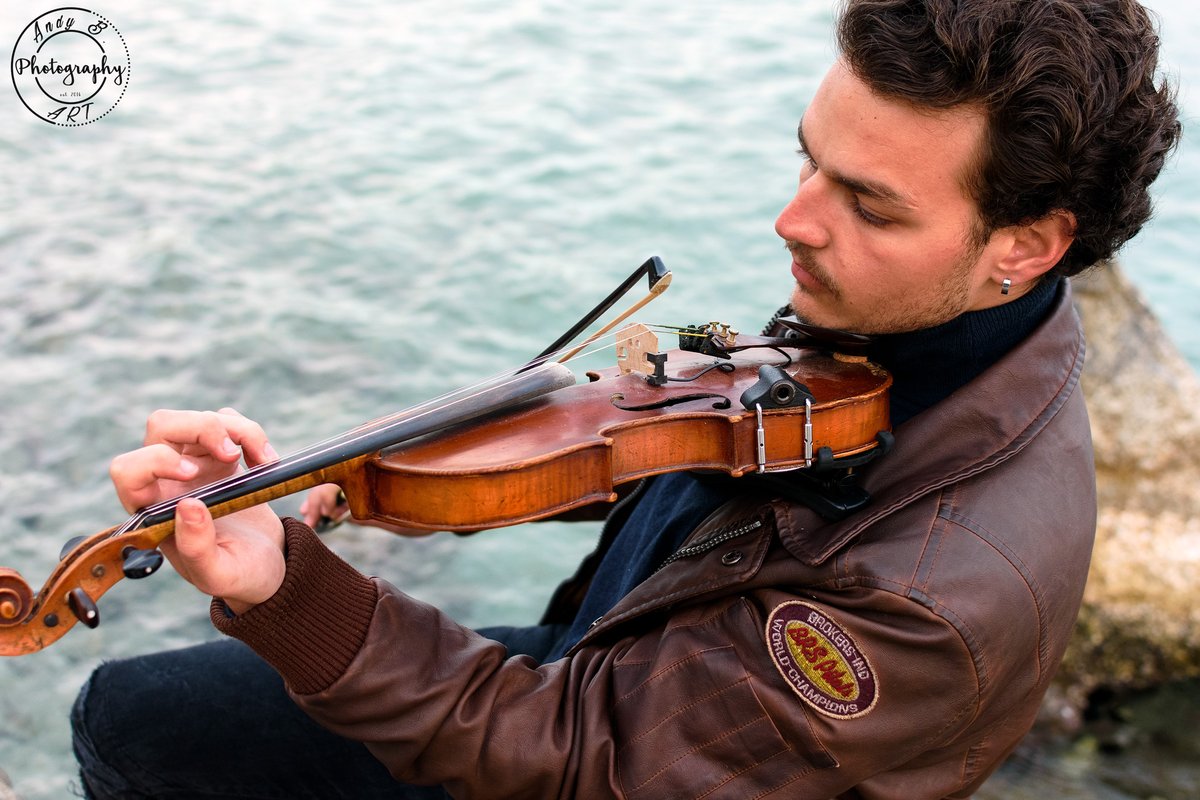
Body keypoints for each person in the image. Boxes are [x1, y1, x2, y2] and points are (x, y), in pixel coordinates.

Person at [71, 1, 1181, 798]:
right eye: (807, 159)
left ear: (1026, 245)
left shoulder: (931, 595)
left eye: (868, 204)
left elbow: (580, 756)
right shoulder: (925, 326)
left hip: (608, 743)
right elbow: (672, 458)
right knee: (147, 703)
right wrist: (346, 486)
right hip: (603, 650)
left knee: (132, 728)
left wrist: (284, 588)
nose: (793, 221)